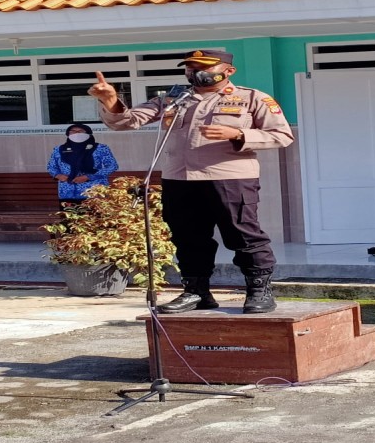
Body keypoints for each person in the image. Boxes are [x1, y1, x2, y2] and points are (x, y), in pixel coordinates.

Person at [88, 49, 295, 314]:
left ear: (229, 71)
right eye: (190, 67)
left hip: (230, 178)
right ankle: (197, 292)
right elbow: (127, 122)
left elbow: (282, 135)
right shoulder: (173, 99)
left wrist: (238, 133)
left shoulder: (251, 98)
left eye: (204, 67)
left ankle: (258, 291)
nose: (195, 72)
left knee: (243, 236)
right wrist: (110, 101)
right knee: (188, 238)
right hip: (179, 179)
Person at [47, 123, 119, 206]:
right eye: (73, 131)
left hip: (94, 191)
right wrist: (58, 175)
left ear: (88, 133)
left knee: (94, 214)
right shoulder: (59, 149)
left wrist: (88, 177)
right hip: (68, 191)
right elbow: (51, 167)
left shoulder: (100, 148)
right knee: (69, 214)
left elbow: (112, 166)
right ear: (68, 134)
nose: (76, 133)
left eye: (80, 131)